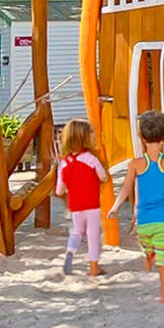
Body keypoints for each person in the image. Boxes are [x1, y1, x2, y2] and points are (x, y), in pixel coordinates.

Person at [107, 110, 164, 302]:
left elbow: (125, 188)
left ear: (140, 137)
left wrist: (115, 207)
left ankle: (148, 255)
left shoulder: (136, 164)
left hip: (144, 221)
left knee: (148, 245)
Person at [54, 118, 108, 276]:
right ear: (85, 137)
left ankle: (70, 252)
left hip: (75, 206)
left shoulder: (64, 164)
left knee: (77, 232)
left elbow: (59, 191)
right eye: (91, 132)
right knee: (93, 235)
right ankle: (94, 267)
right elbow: (103, 177)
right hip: (92, 204)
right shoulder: (91, 159)